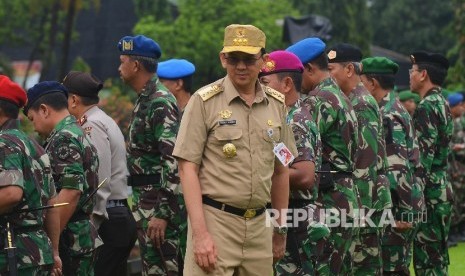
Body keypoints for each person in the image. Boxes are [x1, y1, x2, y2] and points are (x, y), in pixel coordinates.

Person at [173, 24, 297, 276]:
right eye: (234, 58)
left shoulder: (276, 105)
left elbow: (281, 171)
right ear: (223, 58)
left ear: (263, 59)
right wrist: (200, 235)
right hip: (216, 223)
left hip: (260, 228)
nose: (240, 66)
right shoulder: (204, 102)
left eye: (249, 59)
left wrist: (280, 229)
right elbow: (187, 169)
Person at [117, 34, 184, 275]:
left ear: (135, 65)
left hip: (157, 207)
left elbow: (173, 160)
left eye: (122, 61)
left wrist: (163, 213)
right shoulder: (146, 99)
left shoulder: (159, 101)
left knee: (166, 269)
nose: (118, 67)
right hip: (146, 202)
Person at [259, 50, 327, 275]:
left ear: (287, 84)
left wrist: (258, 174)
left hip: (295, 220)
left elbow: (305, 175)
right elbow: (287, 162)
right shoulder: (284, 117)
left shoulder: (295, 120)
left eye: (264, 82)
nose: (259, 88)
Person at [63, 71, 137, 276]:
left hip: (108, 220)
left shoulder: (91, 125)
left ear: (74, 100)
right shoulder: (100, 118)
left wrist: (92, 223)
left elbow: (99, 180)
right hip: (116, 216)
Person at [327, 43, 391, 275]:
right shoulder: (350, 100)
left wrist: (359, 213)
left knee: (363, 268)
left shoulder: (360, 104)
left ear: (349, 70)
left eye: (331, 68)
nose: (328, 74)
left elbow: (365, 163)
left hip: (366, 202)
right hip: (363, 202)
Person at [24, 81, 99, 276]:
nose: (34, 127)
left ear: (44, 110)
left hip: (69, 239)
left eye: (32, 119)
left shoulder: (63, 138)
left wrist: (51, 243)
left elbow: (71, 192)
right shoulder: (77, 131)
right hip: (79, 234)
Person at [360, 56, 422, 275]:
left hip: (396, 208)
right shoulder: (392, 107)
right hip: (401, 203)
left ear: (373, 83)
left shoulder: (387, 114)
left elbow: (397, 166)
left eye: (361, 80)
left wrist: (401, 212)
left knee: (392, 269)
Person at [0, 76, 61, 275]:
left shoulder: (5, 143)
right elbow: (52, 205)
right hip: (38, 251)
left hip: (13, 255)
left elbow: (11, 194)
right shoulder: (33, 145)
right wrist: (54, 252)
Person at [408, 51, 453, 275]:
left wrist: (411, 201)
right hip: (442, 186)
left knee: (427, 261)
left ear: (423, 74)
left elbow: (421, 161)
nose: (410, 75)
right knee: (438, 258)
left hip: (430, 194)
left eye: (413, 71)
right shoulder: (442, 102)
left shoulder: (427, 107)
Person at [446, 92, 465, 247]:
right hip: (450, 168)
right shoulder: (448, 122)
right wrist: (455, 147)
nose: (462, 107)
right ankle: (450, 233)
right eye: (459, 105)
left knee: (460, 201)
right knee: (452, 201)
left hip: (459, 167)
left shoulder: (459, 122)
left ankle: (458, 231)